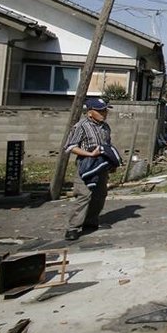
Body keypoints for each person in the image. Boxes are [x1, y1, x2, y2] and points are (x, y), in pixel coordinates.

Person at [64, 97, 115, 241]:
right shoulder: (81, 126)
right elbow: (71, 147)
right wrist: (90, 154)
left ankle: (91, 222)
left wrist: (111, 164)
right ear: (90, 112)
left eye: (105, 110)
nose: (104, 113)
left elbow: (108, 146)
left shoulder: (105, 127)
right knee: (84, 195)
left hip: (101, 165)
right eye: (101, 111)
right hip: (86, 165)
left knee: (100, 195)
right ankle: (73, 227)